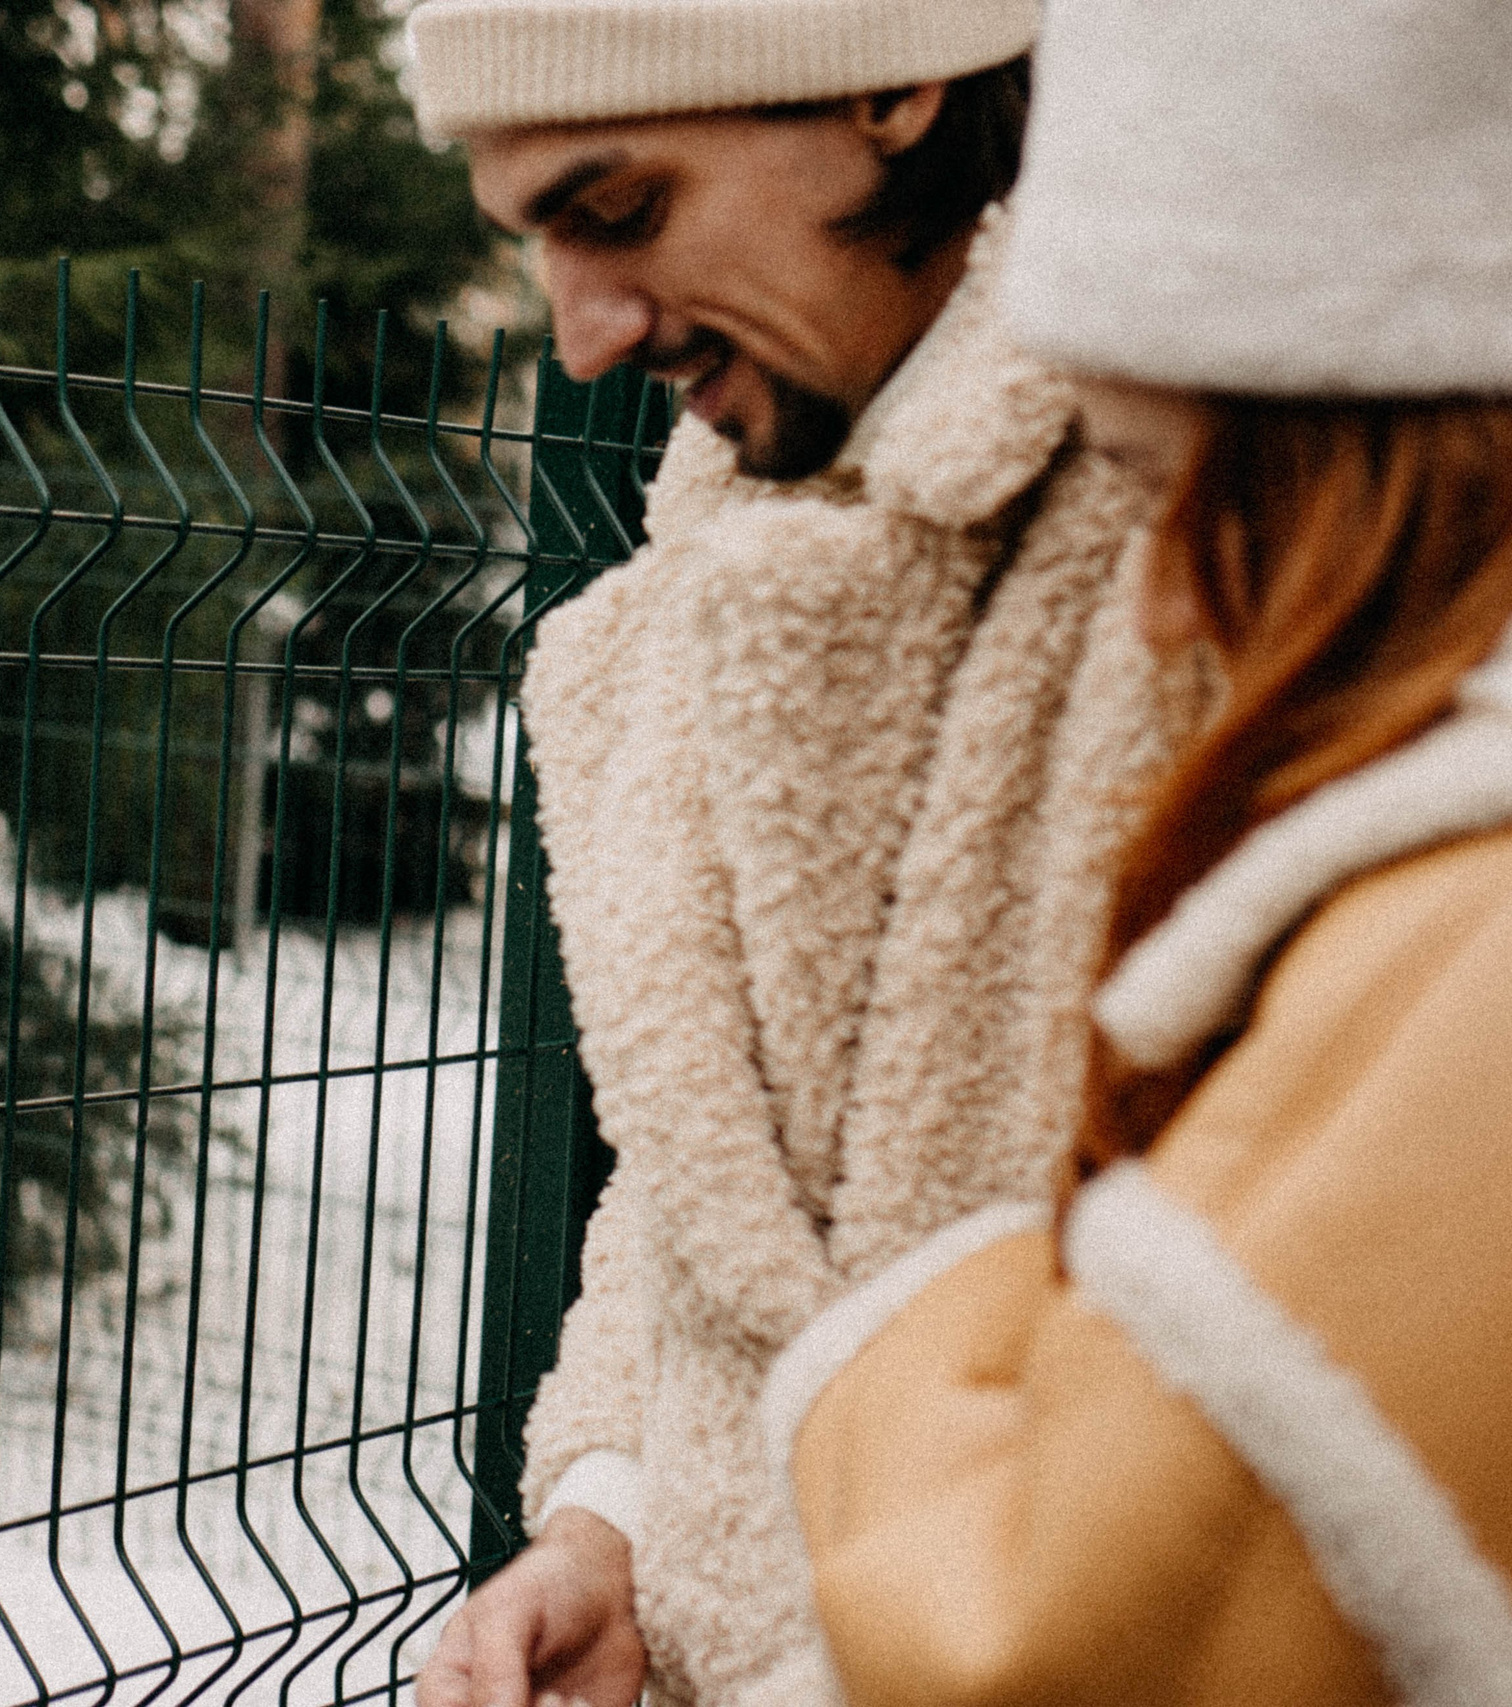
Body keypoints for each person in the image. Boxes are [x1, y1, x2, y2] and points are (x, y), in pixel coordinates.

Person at [403, 0, 1200, 1701]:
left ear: (895, 85)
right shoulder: (734, 529)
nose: (587, 335)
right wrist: (613, 1524)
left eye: (617, 211)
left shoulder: (1228, 533)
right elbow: (712, 1176)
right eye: (532, 240)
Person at [759, 0, 1512, 1701]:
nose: (1162, 603)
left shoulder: (1470, 964)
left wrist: (926, 1349)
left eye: (1175, 480)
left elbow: (1057, 1637)